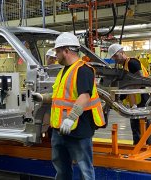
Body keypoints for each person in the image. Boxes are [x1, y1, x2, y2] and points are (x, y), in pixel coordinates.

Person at [33, 32, 105, 180]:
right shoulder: (63, 71)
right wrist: (43, 98)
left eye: (57, 51)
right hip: (60, 130)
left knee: (85, 170)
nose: (55, 55)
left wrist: (71, 118)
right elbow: (60, 97)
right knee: (61, 170)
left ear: (66, 51)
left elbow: (84, 96)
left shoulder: (83, 70)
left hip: (78, 129)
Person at [108, 44, 151, 145]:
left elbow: (141, 81)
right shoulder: (125, 65)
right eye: (113, 58)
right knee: (136, 125)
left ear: (121, 52)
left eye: (115, 56)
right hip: (136, 100)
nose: (115, 59)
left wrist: (126, 94)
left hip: (142, 98)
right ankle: (140, 146)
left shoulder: (132, 63)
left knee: (141, 124)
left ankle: (144, 146)